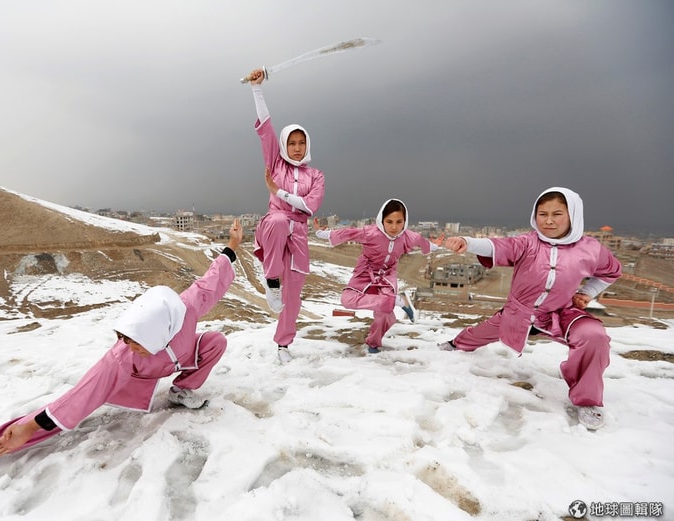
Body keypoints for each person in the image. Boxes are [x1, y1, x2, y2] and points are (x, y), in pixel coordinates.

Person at [0, 220, 245, 504]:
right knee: (73, 409)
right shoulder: (122, 356)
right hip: (136, 377)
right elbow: (74, 401)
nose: (126, 343)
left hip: (177, 360)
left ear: (160, 331)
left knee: (215, 341)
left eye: (134, 340)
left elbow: (213, 278)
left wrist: (232, 244)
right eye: (124, 336)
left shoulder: (184, 309)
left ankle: (182, 391)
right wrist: (27, 427)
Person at [440, 187, 622, 430]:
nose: (549, 221)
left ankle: (588, 400)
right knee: (479, 333)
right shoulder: (527, 242)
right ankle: (456, 344)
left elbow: (611, 271)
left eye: (557, 214)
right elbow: (497, 246)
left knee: (594, 336)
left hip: (561, 314)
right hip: (519, 313)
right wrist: (467, 242)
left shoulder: (591, 249)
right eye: (542, 214)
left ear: (573, 216)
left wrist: (587, 293)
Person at [246, 67, 325, 364]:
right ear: (284, 145)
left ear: (307, 145)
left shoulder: (316, 175)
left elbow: (310, 206)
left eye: (301, 143)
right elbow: (265, 128)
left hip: (299, 236)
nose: (296, 148)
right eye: (291, 143)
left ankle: (283, 345)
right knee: (280, 220)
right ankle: (271, 281)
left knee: (293, 297)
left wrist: (278, 191)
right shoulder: (275, 163)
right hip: (274, 226)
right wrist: (257, 88)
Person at [313, 199, 438, 354]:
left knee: (385, 314)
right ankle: (398, 300)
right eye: (389, 221)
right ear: (382, 220)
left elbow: (422, 242)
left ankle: (374, 343)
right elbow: (348, 233)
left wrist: (435, 245)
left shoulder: (408, 236)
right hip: (365, 273)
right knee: (347, 300)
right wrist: (321, 233)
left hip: (387, 276)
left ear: (405, 222)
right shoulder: (370, 233)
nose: (394, 227)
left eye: (399, 222)